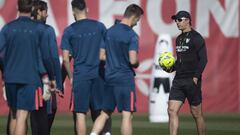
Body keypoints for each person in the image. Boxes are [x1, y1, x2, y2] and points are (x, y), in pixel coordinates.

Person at [0, 0, 56, 135]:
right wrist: (49, 77)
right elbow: (44, 57)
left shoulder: (7, 28)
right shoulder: (37, 29)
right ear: (31, 7)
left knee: (14, 114)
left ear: (18, 7)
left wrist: (4, 72)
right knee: (22, 115)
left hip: (10, 78)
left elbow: (1, 55)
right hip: (29, 78)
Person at [90, 4, 144, 135]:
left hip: (110, 78)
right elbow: (132, 60)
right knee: (127, 116)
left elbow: (101, 56)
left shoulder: (109, 31)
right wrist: (137, 63)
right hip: (125, 80)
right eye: (138, 20)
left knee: (104, 113)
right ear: (134, 16)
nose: (137, 23)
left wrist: (114, 58)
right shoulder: (132, 36)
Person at [61, 0, 111, 135]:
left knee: (80, 114)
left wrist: (70, 77)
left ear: (73, 12)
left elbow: (65, 59)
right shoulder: (100, 27)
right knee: (101, 112)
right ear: (87, 9)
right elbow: (107, 52)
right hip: (99, 75)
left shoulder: (69, 31)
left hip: (80, 76)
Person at [165, 11, 208, 135]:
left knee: (196, 113)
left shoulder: (197, 37)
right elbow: (179, 61)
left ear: (188, 20)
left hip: (191, 79)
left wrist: (196, 76)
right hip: (178, 80)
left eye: (179, 19)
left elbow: (204, 59)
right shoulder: (179, 38)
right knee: (171, 110)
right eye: (176, 20)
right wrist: (170, 68)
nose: (177, 22)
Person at [30, 1, 63, 135]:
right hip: (45, 79)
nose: (47, 14)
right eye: (45, 11)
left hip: (28, 78)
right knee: (47, 111)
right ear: (39, 11)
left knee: (32, 114)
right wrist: (58, 81)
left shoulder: (28, 29)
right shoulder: (48, 30)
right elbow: (53, 58)